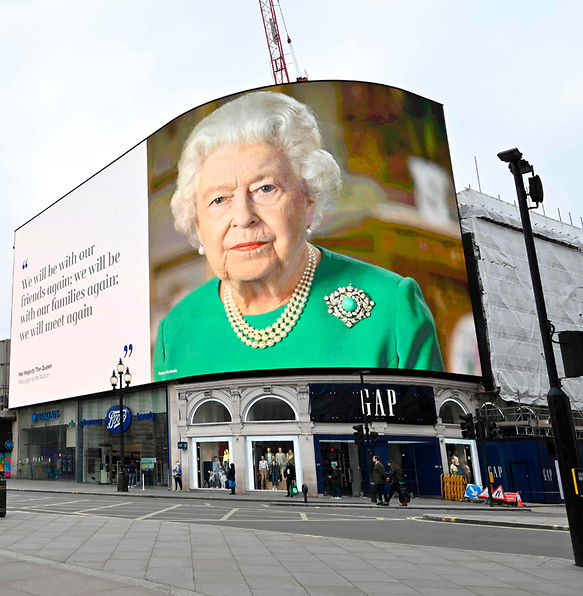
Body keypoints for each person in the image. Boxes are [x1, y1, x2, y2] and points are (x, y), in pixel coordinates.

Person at [153, 91, 444, 381]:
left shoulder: (391, 306)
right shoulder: (176, 333)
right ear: (198, 224)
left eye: (265, 189)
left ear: (308, 198)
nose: (243, 217)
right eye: (219, 200)